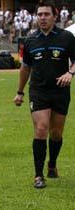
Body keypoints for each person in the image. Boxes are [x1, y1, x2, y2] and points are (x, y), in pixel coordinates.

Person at [13, 3, 75, 189]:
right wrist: (20, 92)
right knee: (41, 129)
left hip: (60, 91)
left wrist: (70, 73)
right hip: (38, 91)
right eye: (40, 14)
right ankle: (38, 175)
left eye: (47, 14)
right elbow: (25, 68)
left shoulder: (67, 37)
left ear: (55, 16)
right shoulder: (30, 40)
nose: (42, 17)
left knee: (56, 134)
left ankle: (52, 164)